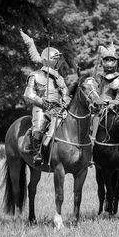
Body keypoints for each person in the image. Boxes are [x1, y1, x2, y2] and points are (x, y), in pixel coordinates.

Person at [20, 29, 71, 165]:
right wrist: (42, 102)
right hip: (41, 108)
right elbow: (28, 94)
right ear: (47, 59)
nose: (57, 62)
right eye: (55, 60)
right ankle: (36, 153)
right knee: (38, 128)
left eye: (58, 60)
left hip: (58, 109)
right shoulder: (35, 75)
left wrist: (65, 101)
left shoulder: (59, 78)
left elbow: (65, 93)